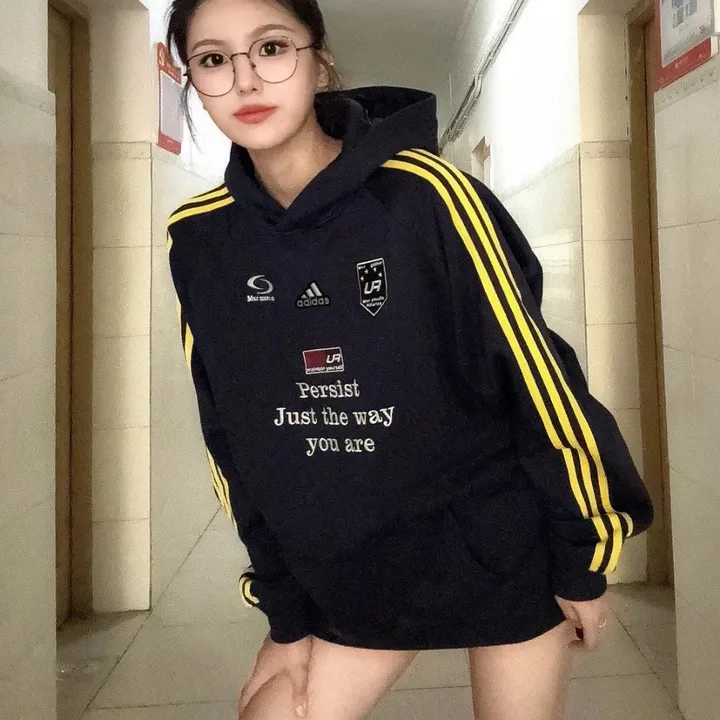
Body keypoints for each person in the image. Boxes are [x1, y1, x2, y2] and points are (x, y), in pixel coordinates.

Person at [164, 1, 654, 718]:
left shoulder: (428, 195)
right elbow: (230, 432)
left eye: (270, 47)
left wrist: (584, 552)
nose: (245, 79)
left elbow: (537, 377)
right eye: (213, 59)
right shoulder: (200, 237)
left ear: (319, 60)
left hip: (490, 541)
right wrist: (283, 605)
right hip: (350, 567)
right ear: (192, 81)